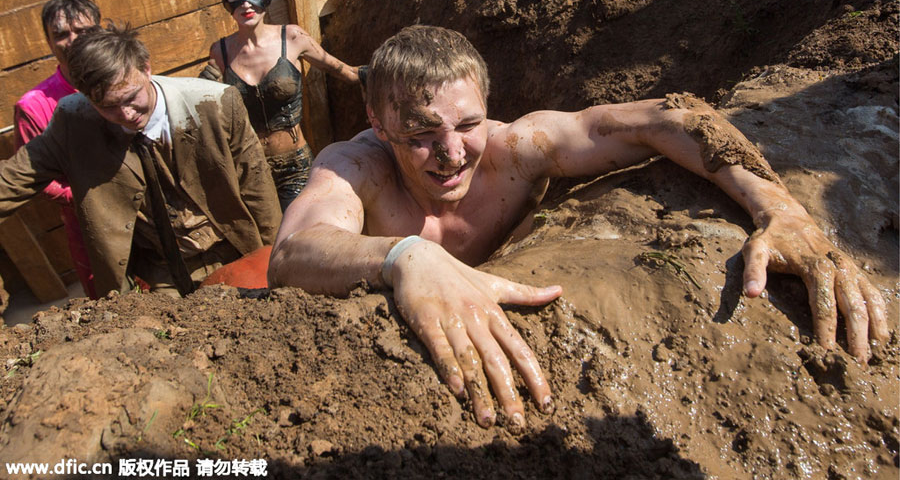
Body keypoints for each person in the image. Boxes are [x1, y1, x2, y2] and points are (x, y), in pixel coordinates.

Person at [268, 25, 889, 430]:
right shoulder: (357, 168)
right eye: (422, 133)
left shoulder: (518, 150)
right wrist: (407, 255)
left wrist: (781, 210)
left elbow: (672, 118)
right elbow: (292, 254)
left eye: (468, 125)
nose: (453, 154)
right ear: (378, 122)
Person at [0, 25, 282, 297]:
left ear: (146, 68)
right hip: (158, 271)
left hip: (231, 253)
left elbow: (257, 188)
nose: (126, 114)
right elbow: (13, 179)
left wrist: (276, 260)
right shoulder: (73, 121)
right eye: (108, 106)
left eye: (131, 97)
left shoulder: (216, 104)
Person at [200, 0, 360, 211]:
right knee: (268, 233)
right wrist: (204, 87)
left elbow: (345, 71)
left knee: (303, 227)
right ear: (226, 2)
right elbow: (214, 114)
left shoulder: (292, 37)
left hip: (294, 166)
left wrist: (381, 73)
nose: (246, 4)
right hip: (251, 168)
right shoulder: (220, 52)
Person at [14, 0, 101, 299]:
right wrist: (92, 198)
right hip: (89, 224)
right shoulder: (33, 106)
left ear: (100, 32)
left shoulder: (124, 80)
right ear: (49, 43)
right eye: (61, 34)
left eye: (83, 31)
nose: (73, 40)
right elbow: (38, 177)